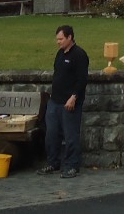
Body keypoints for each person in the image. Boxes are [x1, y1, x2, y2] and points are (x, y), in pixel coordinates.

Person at [39, 24, 89, 178]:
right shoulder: (60, 54)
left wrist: (74, 97)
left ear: (70, 37)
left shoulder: (79, 55)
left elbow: (82, 80)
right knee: (51, 134)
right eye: (57, 39)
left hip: (69, 102)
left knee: (70, 135)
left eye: (61, 39)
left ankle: (72, 165)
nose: (58, 42)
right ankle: (53, 162)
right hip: (55, 101)